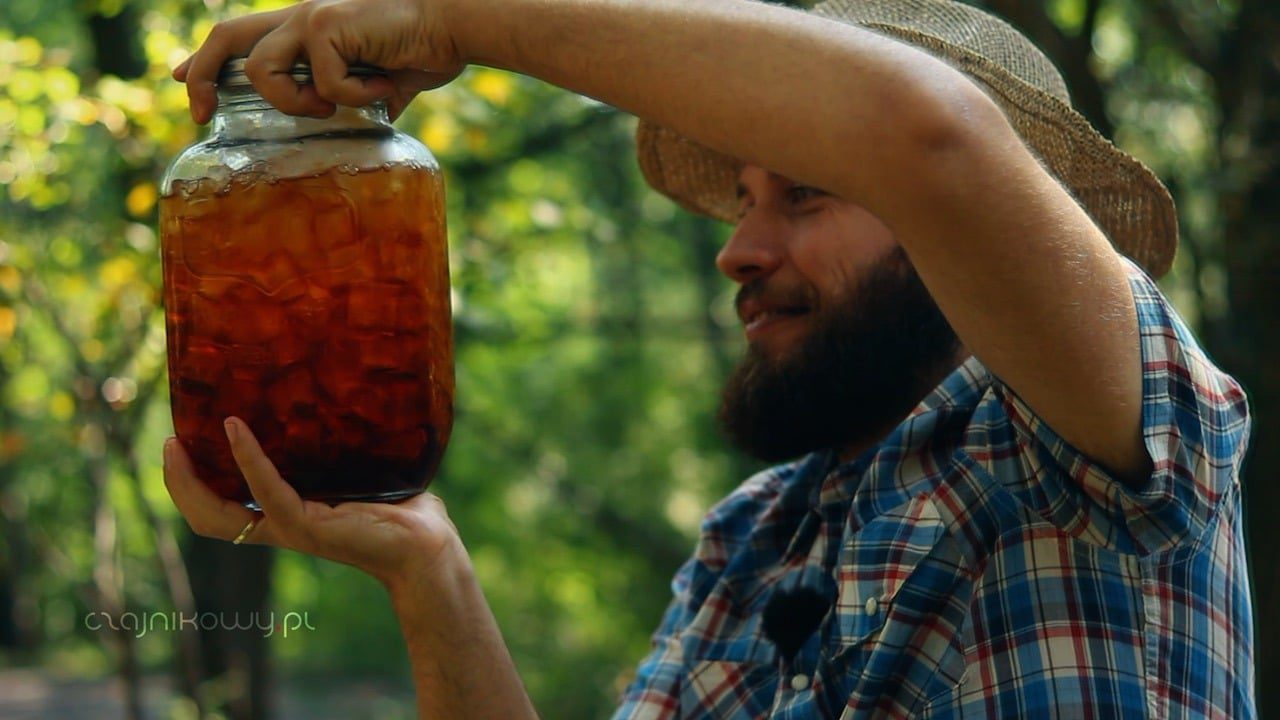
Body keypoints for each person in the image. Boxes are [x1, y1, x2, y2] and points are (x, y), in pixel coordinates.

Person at [161, 0, 1255, 716]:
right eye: (742, 198)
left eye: (806, 193)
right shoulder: (752, 539)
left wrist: (456, 17)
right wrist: (426, 572)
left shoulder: (1098, 436)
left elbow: (931, 137)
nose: (738, 247)